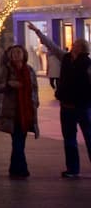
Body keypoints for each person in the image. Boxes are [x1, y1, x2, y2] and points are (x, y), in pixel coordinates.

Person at [27, 23, 91, 178]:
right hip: (67, 105)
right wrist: (37, 32)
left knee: (89, 137)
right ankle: (72, 169)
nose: (72, 45)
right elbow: (51, 45)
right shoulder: (66, 58)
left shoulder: (87, 63)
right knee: (69, 139)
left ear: (81, 48)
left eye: (75, 44)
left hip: (83, 106)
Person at [0, 45, 39, 179]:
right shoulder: (6, 70)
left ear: (24, 54)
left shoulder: (29, 70)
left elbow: (34, 88)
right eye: (13, 53)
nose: (16, 55)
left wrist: (35, 103)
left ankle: (14, 169)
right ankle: (22, 169)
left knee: (20, 141)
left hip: (26, 110)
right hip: (13, 111)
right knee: (17, 141)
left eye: (18, 52)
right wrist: (9, 84)